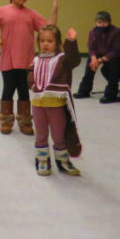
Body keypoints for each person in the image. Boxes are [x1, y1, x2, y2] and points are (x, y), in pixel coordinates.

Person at [0, 0, 57, 135]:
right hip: (8, 59)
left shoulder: (31, 14)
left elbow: (49, 29)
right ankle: (6, 120)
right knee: (8, 89)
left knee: (24, 91)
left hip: (27, 61)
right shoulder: (2, 11)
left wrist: (54, 10)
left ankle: (25, 120)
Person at [28, 25, 82, 176]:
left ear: (57, 42)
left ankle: (63, 161)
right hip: (38, 105)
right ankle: (42, 159)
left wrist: (70, 42)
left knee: (59, 135)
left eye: (50, 41)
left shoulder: (62, 60)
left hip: (56, 105)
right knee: (41, 134)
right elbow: (30, 73)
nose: (45, 44)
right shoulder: (36, 59)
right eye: (42, 41)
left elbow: (74, 60)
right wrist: (32, 83)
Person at [74, 11, 120, 103]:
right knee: (90, 66)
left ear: (109, 22)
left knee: (112, 68)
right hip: (100, 53)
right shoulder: (92, 32)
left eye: (105, 22)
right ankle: (84, 90)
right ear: (96, 22)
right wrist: (94, 58)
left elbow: (117, 51)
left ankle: (111, 94)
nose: (102, 25)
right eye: (99, 22)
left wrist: (101, 59)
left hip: (115, 56)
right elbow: (91, 47)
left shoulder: (117, 33)